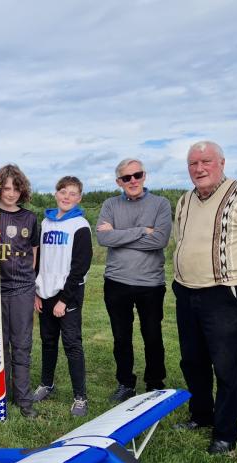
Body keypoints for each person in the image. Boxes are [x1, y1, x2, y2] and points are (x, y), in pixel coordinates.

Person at [172, 141, 237, 454]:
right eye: (193, 163)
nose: (199, 169)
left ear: (221, 162)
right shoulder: (186, 199)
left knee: (226, 365)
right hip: (186, 290)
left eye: (206, 161)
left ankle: (226, 432)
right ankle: (201, 415)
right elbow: (181, 239)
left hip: (226, 292)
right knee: (192, 361)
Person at [96, 159, 171, 404]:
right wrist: (142, 230)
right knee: (121, 336)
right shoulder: (110, 204)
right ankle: (125, 383)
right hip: (117, 282)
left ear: (144, 176)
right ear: (119, 181)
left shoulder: (160, 204)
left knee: (152, 335)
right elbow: (103, 238)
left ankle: (154, 383)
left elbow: (159, 241)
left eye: (136, 175)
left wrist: (118, 235)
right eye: (126, 178)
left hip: (151, 283)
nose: (133, 181)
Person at [33, 176, 93, 416]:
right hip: (45, 293)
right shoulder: (45, 224)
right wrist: (36, 292)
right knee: (48, 342)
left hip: (67, 295)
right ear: (56, 193)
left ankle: (80, 397)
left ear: (79, 198)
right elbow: (39, 262)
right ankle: (47, 384)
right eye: (63, 192)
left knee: (71, 345)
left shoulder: (80, 225)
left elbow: (81, 267)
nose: (67, 197)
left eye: (73, 193)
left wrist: (64, 300)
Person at [0, 164, 40, 419]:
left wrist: (27, 279)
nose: (10, 193)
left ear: (22, 190)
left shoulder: (30, 218)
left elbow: (33, 252)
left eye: (15, 188)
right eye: (5, 188)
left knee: (21, 344)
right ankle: (0, 395)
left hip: (22, 288)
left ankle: (24, 399)